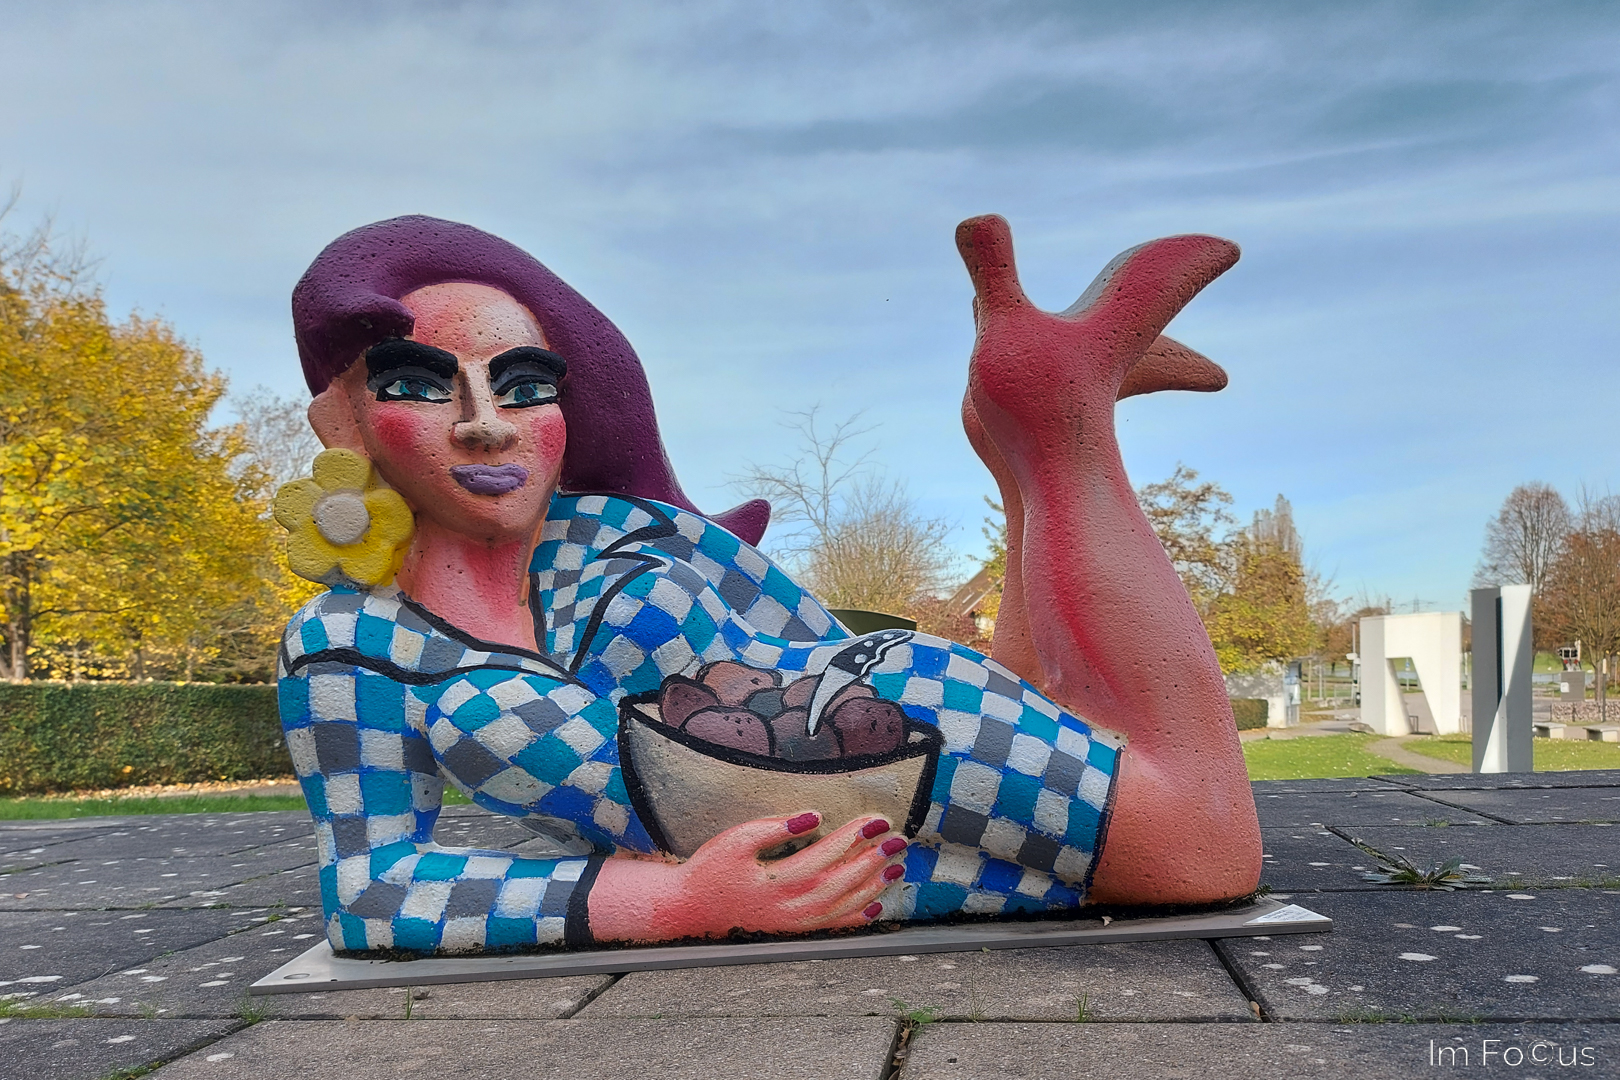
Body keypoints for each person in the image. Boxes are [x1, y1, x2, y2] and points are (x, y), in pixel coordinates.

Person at [275, 214, 1261, 954]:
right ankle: (1035, 430)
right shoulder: (352, 646)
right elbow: (371, 891)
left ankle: (1053, 426)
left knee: (1199, 849)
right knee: (1076, 867)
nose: (486, 424)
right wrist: (671, 903)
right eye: (418, 384)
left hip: (910, 733)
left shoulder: (628, 529)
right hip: (857, 822)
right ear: (342, 420)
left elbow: (830, 646)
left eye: (524, 385)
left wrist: (676, 900)